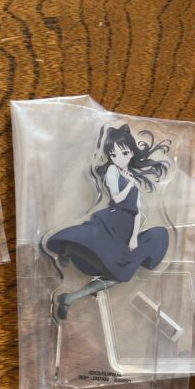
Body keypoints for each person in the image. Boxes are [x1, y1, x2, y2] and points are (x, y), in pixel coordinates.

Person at [46, 123, 171, 320]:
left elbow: (137, 212)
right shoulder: (113, 171)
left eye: (123, 153)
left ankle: (70, 297)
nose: (118, 158)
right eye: (113, 155)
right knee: (113, 267)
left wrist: (134, 238)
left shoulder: (132, 178)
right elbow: (117, 199)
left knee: (123, 273)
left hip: (125, 231)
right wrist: (130, 184)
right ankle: (69, 248)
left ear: (131, 152)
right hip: (111, 222)